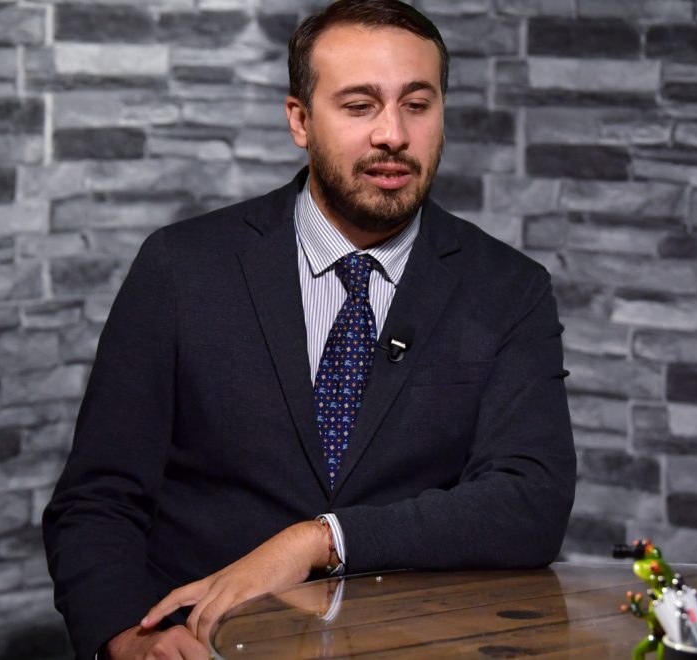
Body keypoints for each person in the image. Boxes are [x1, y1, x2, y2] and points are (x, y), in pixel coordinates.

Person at [43, 1, 577, 658]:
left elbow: (530, 502)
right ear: (300, 119)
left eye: (417, 104)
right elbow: (98, 499)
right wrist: (129, 640)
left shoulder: (508, 288)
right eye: (359, 106)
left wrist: (321, 539)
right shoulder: (182, 268)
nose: (393, 134)